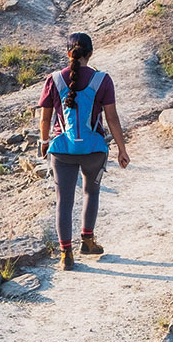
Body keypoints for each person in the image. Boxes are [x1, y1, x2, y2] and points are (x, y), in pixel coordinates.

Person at [37, 32, 129, 270]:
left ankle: (65, 254)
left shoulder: (54, 79)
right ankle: (87, 240)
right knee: (91, 193)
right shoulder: (102, 80)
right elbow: (112, 118)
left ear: (68, 53)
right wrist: (122, 149)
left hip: (62, 149)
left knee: (63, 202)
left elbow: (45, 117)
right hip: (94, 150)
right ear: (90, 53)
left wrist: (44, 141)